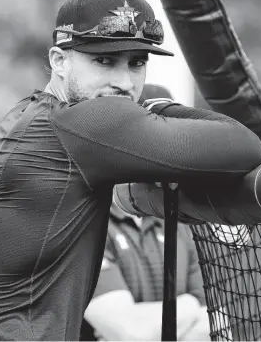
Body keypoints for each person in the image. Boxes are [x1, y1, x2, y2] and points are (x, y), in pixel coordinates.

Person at [0, 0, 261, 341]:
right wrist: (158, 106)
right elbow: (246, 145)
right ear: (59, 60)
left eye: (137, 63)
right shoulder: (84, 124)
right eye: (104, 60)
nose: (124, 82)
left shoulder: (37, 114)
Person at [81, 84, 210, 341]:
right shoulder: (86, 222)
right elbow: (129, 333)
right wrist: (187, 305)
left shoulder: (182, 220)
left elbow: (214, 324)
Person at [81, 186, 210, 341]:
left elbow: (214, 326)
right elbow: (129, 333)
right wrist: (191, 304)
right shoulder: (87, 226)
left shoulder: (179, 222)